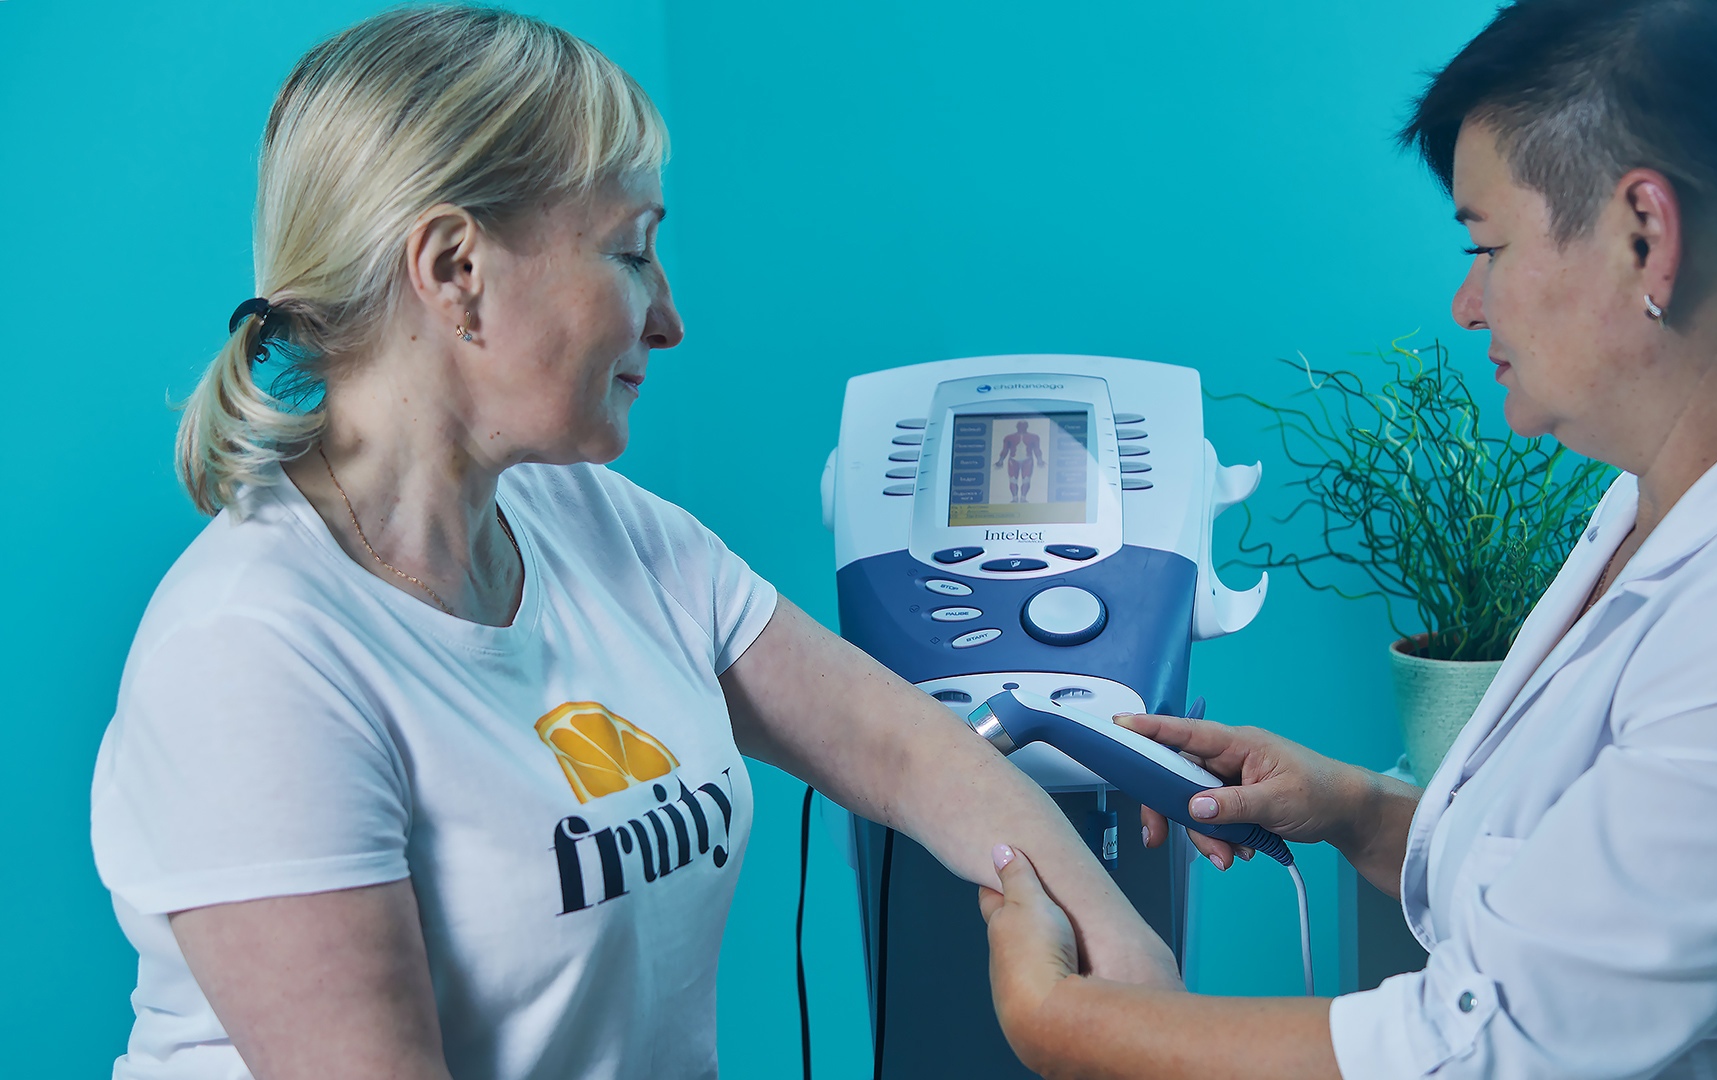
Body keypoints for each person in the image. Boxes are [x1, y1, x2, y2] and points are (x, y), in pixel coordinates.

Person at [88, 8, 1178, 1079]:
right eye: (631, 253)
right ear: (455, 268)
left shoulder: (593, 520)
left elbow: (904, 752)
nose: (668, 319)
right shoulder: (249, 655)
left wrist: (1127, 955)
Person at [978, 0, 1717, 1077]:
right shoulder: (1675, 491)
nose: (1468, 304)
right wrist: (1356, 809)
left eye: (1488, 247)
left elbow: (1483, 1046)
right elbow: (1607, 892)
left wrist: (1059, 1020)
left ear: (1646, 237)